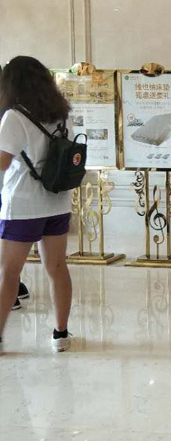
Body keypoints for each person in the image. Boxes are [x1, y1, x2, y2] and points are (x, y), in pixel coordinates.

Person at [0, 56, 73, 353]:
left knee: (8, 272)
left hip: (23, 205)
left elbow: (3, 162)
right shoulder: (62, 114)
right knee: (56, 267)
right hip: (57, 201)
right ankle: (61, 334)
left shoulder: (14, 117)